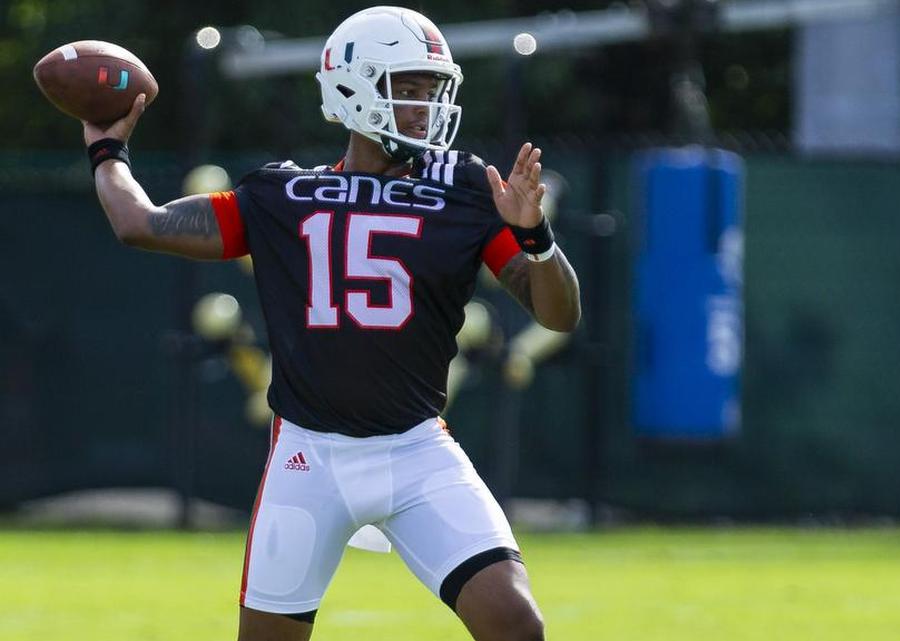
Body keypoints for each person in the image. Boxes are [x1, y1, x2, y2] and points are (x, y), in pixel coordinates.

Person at [82, 7, 579, 641]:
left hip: (418, 450)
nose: (427, 107)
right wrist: (106, 149)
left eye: (433, 90)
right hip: (309, 456)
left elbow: (559, 313)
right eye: (411, 88)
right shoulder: (282, 195)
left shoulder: (465, 188)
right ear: (355, 87)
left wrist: (536, 238)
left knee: (516, 624)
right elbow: (140, 223)